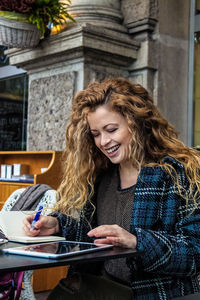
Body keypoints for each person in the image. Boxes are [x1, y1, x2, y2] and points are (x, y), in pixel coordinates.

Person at [23, 77, 200, 300]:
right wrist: (58, 225)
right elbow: (95, 237)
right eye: (96, 134)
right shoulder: (103, 175)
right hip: (101, 286)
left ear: (137, 122)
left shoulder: (178, 174)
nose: (103, 142)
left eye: (111, 129)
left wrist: (136, 241)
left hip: (149, 293)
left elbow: (195, 253)